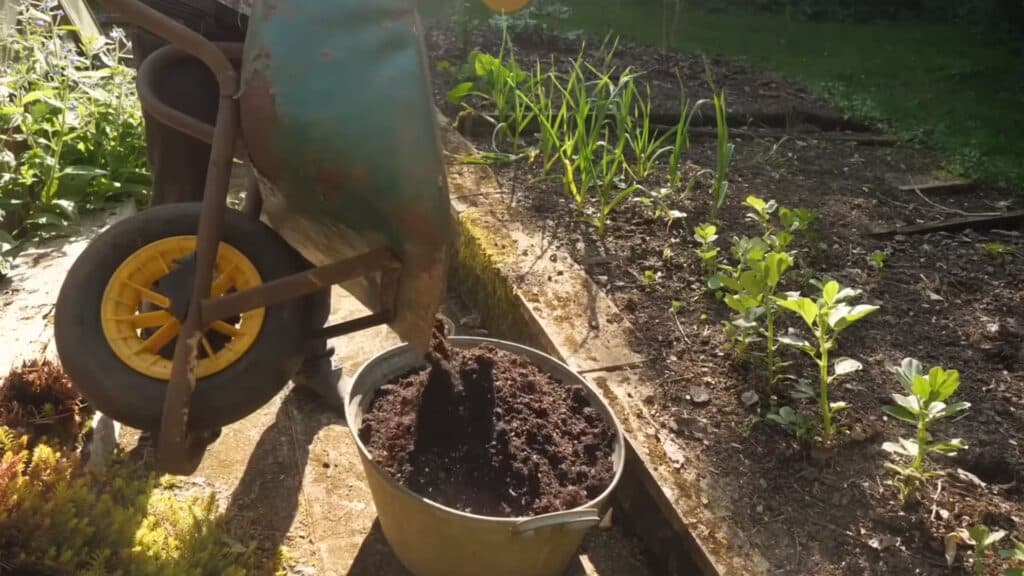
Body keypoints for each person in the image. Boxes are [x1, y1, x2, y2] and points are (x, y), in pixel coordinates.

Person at [127, 0, 342, 410]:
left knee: (301, 197)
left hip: (284, 27)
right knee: (184, 196)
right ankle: (167, 374)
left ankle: (308, 356)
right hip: (181, 17)